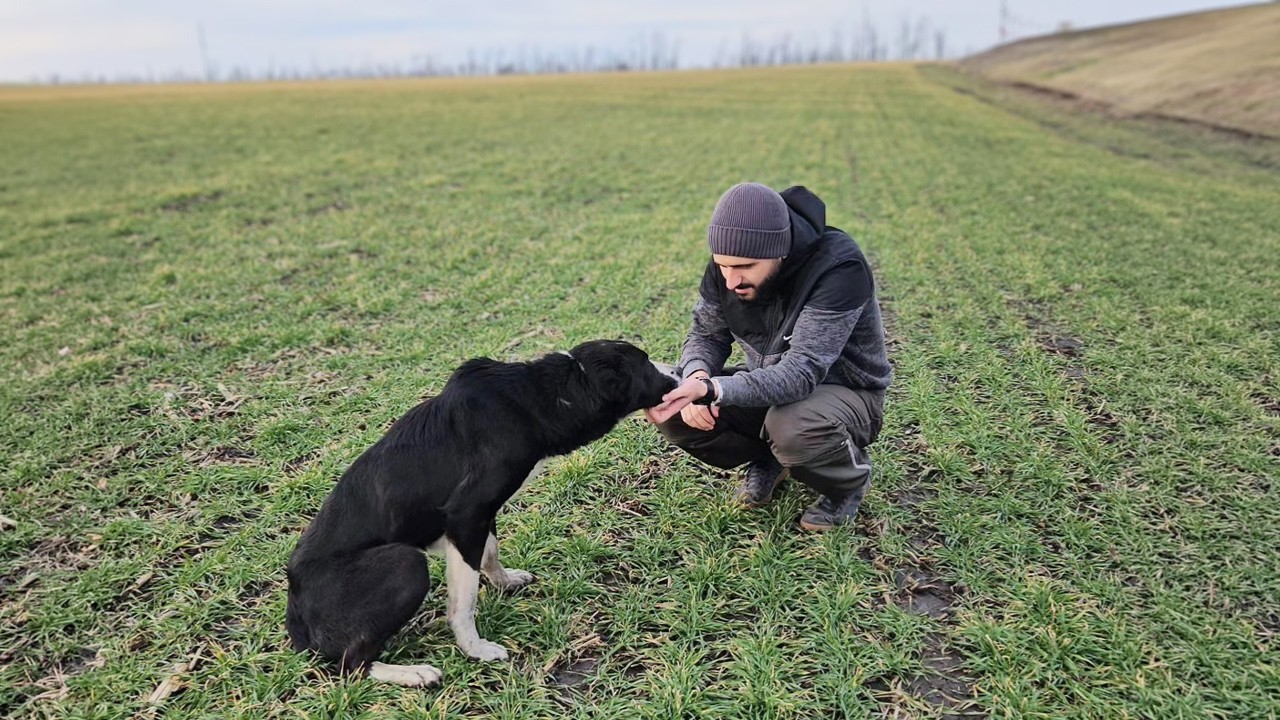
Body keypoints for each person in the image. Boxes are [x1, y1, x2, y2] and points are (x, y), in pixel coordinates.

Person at [645, 182, 892, 531]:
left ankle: (847, 483)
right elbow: (706, 334)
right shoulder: (729, 268)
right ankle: (770, 459)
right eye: (723, 266)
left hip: (847, 394)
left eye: (745, 266)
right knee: (670, 402)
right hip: (771, 385)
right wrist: (697, 377)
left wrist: (713, 390)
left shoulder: (838, 269)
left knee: (792, 426)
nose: (731, 280)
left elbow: (802, 373)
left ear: (780, 251)